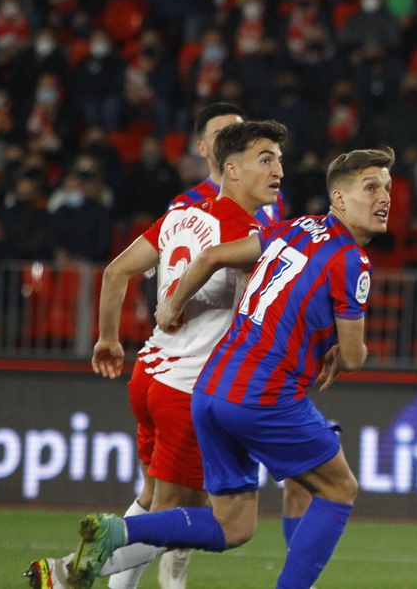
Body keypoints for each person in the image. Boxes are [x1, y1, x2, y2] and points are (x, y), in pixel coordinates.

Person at [62, 149, 394, 589]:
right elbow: (353, 358)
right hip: (264, 395)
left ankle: (118, 532)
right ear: (339, 197)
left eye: (387, 188)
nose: (383, 197)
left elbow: (212, 256)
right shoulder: (351, 260)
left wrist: (173, 304)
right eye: (370, 187)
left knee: (232, 526)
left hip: (212, 390)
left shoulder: (290, 229)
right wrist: (343, 346)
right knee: (339, 489)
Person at [25, 121, 288, 589]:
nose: (278, 170)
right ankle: (64, 573)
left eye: (279, 159)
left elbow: (115, 272)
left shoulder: (180, 217)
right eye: (265, 160)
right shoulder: (247, 237)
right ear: (231, 169)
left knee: (152, 501)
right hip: (187, 389)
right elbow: (261, 320)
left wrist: (108, 338)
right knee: (179, 515)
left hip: (148, 375)